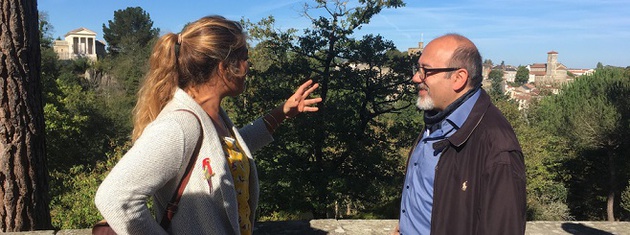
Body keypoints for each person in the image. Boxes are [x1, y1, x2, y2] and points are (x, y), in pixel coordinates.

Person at [95, 15, 322, 235]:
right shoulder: (179, 125)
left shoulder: (210, 114)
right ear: (224, 68)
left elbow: (222, 155)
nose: (248, 66)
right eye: (244, 57)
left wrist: (281, 113)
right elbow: (114, 198)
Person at [393, 33, 526, 235]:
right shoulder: (438, 117)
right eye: (417, 69)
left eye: (425, 71)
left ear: (458, 78)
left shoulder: (497, 147)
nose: (415, 78)